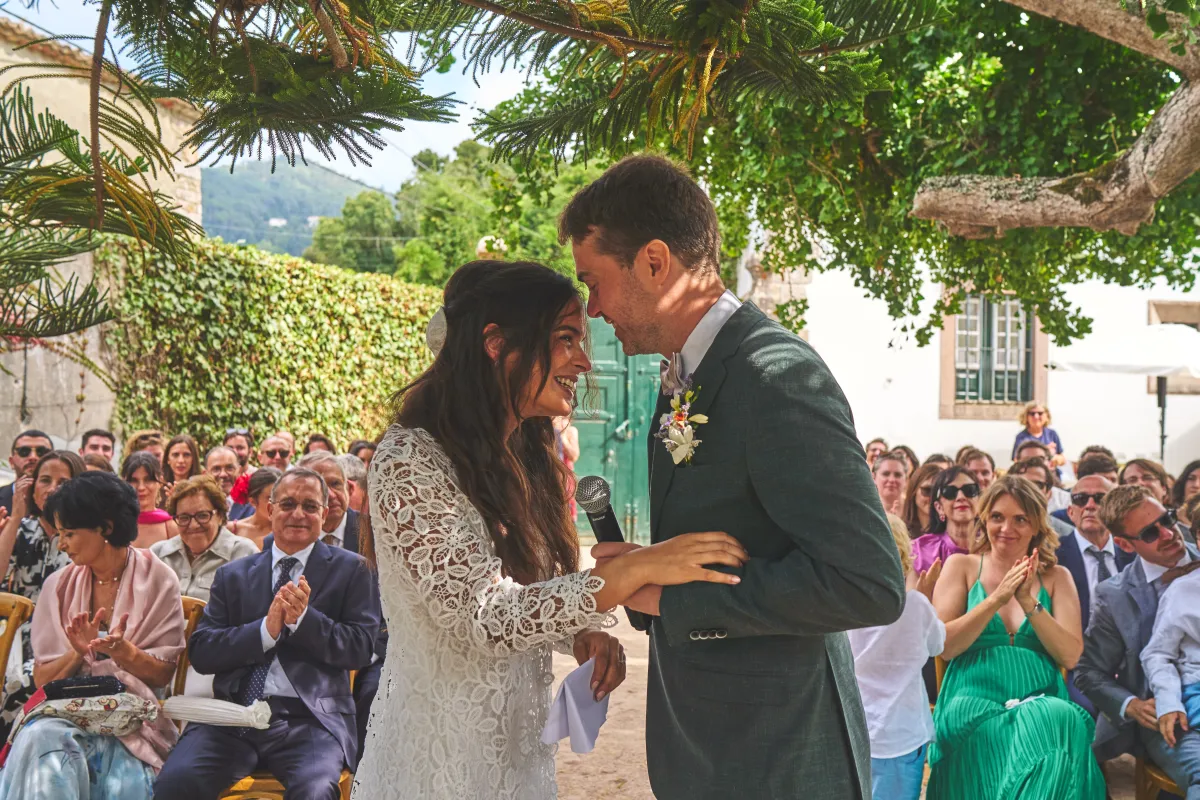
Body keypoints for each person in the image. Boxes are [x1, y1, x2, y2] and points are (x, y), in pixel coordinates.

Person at [358, 256, 759, 800]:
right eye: (566, 339)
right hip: (436, 763)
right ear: (496, 344)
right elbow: (482, 616)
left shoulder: (523, 455)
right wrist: (636, 568)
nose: (585, 362)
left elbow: (522, 593)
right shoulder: (410, 459)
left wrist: (579, 634)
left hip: (517, 762)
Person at [565, 155, 903, 799]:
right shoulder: (688, 371)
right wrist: (648, 567)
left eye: (595, 282)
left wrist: (671, 598)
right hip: (711, 754)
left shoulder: (775, 376)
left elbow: (867, 583)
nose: (594, 309)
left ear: (654, 261)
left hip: (780, 762)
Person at [153, 469, 381, 800]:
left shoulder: (353, 570)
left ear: (324, 513)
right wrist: (264, 632)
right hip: (232, 717)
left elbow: (360, 649)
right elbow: (202, 652)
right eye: (287, 504)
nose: (298, 514)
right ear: (270, 510)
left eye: (309, 506)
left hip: (310, 721)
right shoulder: (234, 575)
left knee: (315, 791)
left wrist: (304, 621)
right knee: (175, 783)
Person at [0, 471, 185, 799]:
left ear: (106, 528)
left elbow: (163, 674)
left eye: (69, 533)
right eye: (59, 534)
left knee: (105, 768)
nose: (61, 544)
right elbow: (43, 680)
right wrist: (78, 651)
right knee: (42, 740)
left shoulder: (158, 578)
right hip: (63, 715)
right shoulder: (58, 586)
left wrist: (123, 652)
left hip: (132, 719)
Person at [928, 475, 1103, 799]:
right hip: (971, 693)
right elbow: (945, 646)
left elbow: (1070, 656)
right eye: (997, 517)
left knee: (1058, 717)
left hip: (1039, 694)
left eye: (1020, 519)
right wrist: (996, 598)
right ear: (984, 520)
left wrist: (1027, 601)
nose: (1006, 528)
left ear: (1036, 525)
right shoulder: (962, 566)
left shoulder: (1057, 577)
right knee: (1028, 723)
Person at [1075, 484, 1200, 793]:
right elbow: (1088, 672)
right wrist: (1132, 706)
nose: (1169, 534)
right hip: (1169, 716)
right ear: (1124, 545)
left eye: (1167, 519)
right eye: (1149, 533)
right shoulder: (1114, 596)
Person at [849, 514, 945, 800]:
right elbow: (937, 645)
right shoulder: (916, 605)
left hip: (858, 731)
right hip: (904, 735)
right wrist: (924, 599)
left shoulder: (845, 610)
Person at [0, 450, 84, 738]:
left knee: (16, 687)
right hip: (17, 638)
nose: (52, 489)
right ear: (32, 487)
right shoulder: (22, 529)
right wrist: (15, 517)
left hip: (63, 641)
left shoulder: (85, 536)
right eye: (45, 480)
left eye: (63, 482)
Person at [152, 474, 257, 602]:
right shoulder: (159, 555)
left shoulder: (244, 555)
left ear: (219, 515)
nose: (193, 525)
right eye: (184, 518)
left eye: (202, 515)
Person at [263, 452, 359, 553]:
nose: (330, 495)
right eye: (316, 488)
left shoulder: (369, 530)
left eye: (335, 484)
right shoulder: (277, 542)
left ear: (349, 488)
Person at [912, 466, 980, 577]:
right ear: (939, 507)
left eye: (969, 490)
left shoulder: (994, 546)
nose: (961, 497)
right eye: (950, 492)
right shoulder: (920, 551)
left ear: (980, 501)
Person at [122, 451, 178, 548]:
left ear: (160, 482)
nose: (141, 487)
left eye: (148, 480)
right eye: (134, 480)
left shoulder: (169, 527)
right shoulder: (115, 524)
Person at [1008, 457, 1073, 538]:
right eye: (1023, 485)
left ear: (1048, 492)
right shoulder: (998, 529)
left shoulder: (1067, 535)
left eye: (1037, 485)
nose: (1030, 490)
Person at [0, 429, 53, 515]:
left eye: (41, 452)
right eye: (24, 451)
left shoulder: (64, 501)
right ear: (11, 462)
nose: (33, 457)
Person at [230, 467, 282, 550]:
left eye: (283, 498)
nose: (279, 504)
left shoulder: (291, 531)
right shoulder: (232, 529)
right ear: (253, 501)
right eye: (271, 499)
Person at [1012, 402, 1065, 469]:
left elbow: (1062, 459)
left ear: (1047, 416)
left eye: (1040, 413)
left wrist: (1057, 459)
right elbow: (1016, 461)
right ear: (1026, 417)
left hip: (1051, 473)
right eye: (1032, 414)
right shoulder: (1021, 437)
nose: (1036, 417)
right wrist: (1043, 453)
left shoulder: (1052, 434)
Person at [901, 463, 944, 539]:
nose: (933, 497)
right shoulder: (900, 532)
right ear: (914, 492)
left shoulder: (953, 534)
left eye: (938, 491)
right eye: (927, 490)